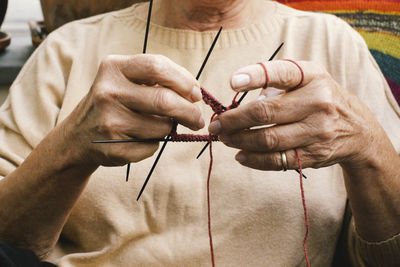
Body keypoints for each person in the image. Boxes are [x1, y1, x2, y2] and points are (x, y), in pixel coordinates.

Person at [0, 0, 399, 266]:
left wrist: (367, 146)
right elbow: (8, 240)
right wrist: (72, 147)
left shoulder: (333, 45)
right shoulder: (67, 49)